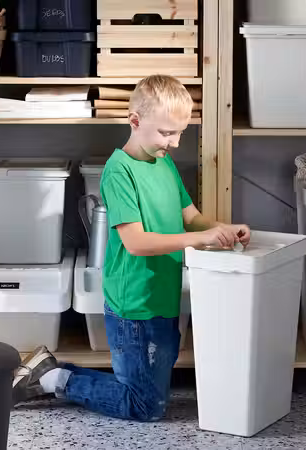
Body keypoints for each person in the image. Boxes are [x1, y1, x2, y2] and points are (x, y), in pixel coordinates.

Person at [13, 75, 251, 422]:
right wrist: (199, 240)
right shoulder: (119, 171)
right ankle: (53, 379)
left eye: (180, 133)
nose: (175, 143)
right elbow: (136, 243)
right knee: (146, 407)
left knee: (148, 391)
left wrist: (222, 230)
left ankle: (50, 370)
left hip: (162, 295)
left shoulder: (164, 162)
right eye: (166, 133)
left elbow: (192, 218)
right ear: (135, 121)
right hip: (133, 304)